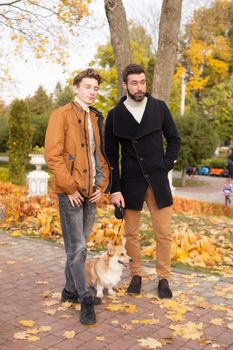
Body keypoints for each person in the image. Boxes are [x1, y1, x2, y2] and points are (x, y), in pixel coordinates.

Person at [104, 64, 180, 299]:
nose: (139, 87)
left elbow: (174, 139)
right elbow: (111, 157)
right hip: (130, 184)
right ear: (125, 85)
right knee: (132, 235)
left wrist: (165, 165)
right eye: (134, 83)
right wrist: (115, 189)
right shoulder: (115, 116)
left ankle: (164, 279)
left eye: (143, 82)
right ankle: (135, 274)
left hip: (157, 181)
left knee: (163, 233)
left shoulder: (159, 108)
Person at [44, 68, 110, 325]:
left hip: (91, 193)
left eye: (95, 88)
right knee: (77, 248)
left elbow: (98, 155)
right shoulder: (61, 114)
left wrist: (101, 186)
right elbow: (53, 155)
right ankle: (84, 298)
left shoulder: (94, 117)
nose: (92, 92)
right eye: (87, 87)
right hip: (70, 193)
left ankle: (69, 291)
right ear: (76, 88)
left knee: (79, 249)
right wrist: (70, 188)